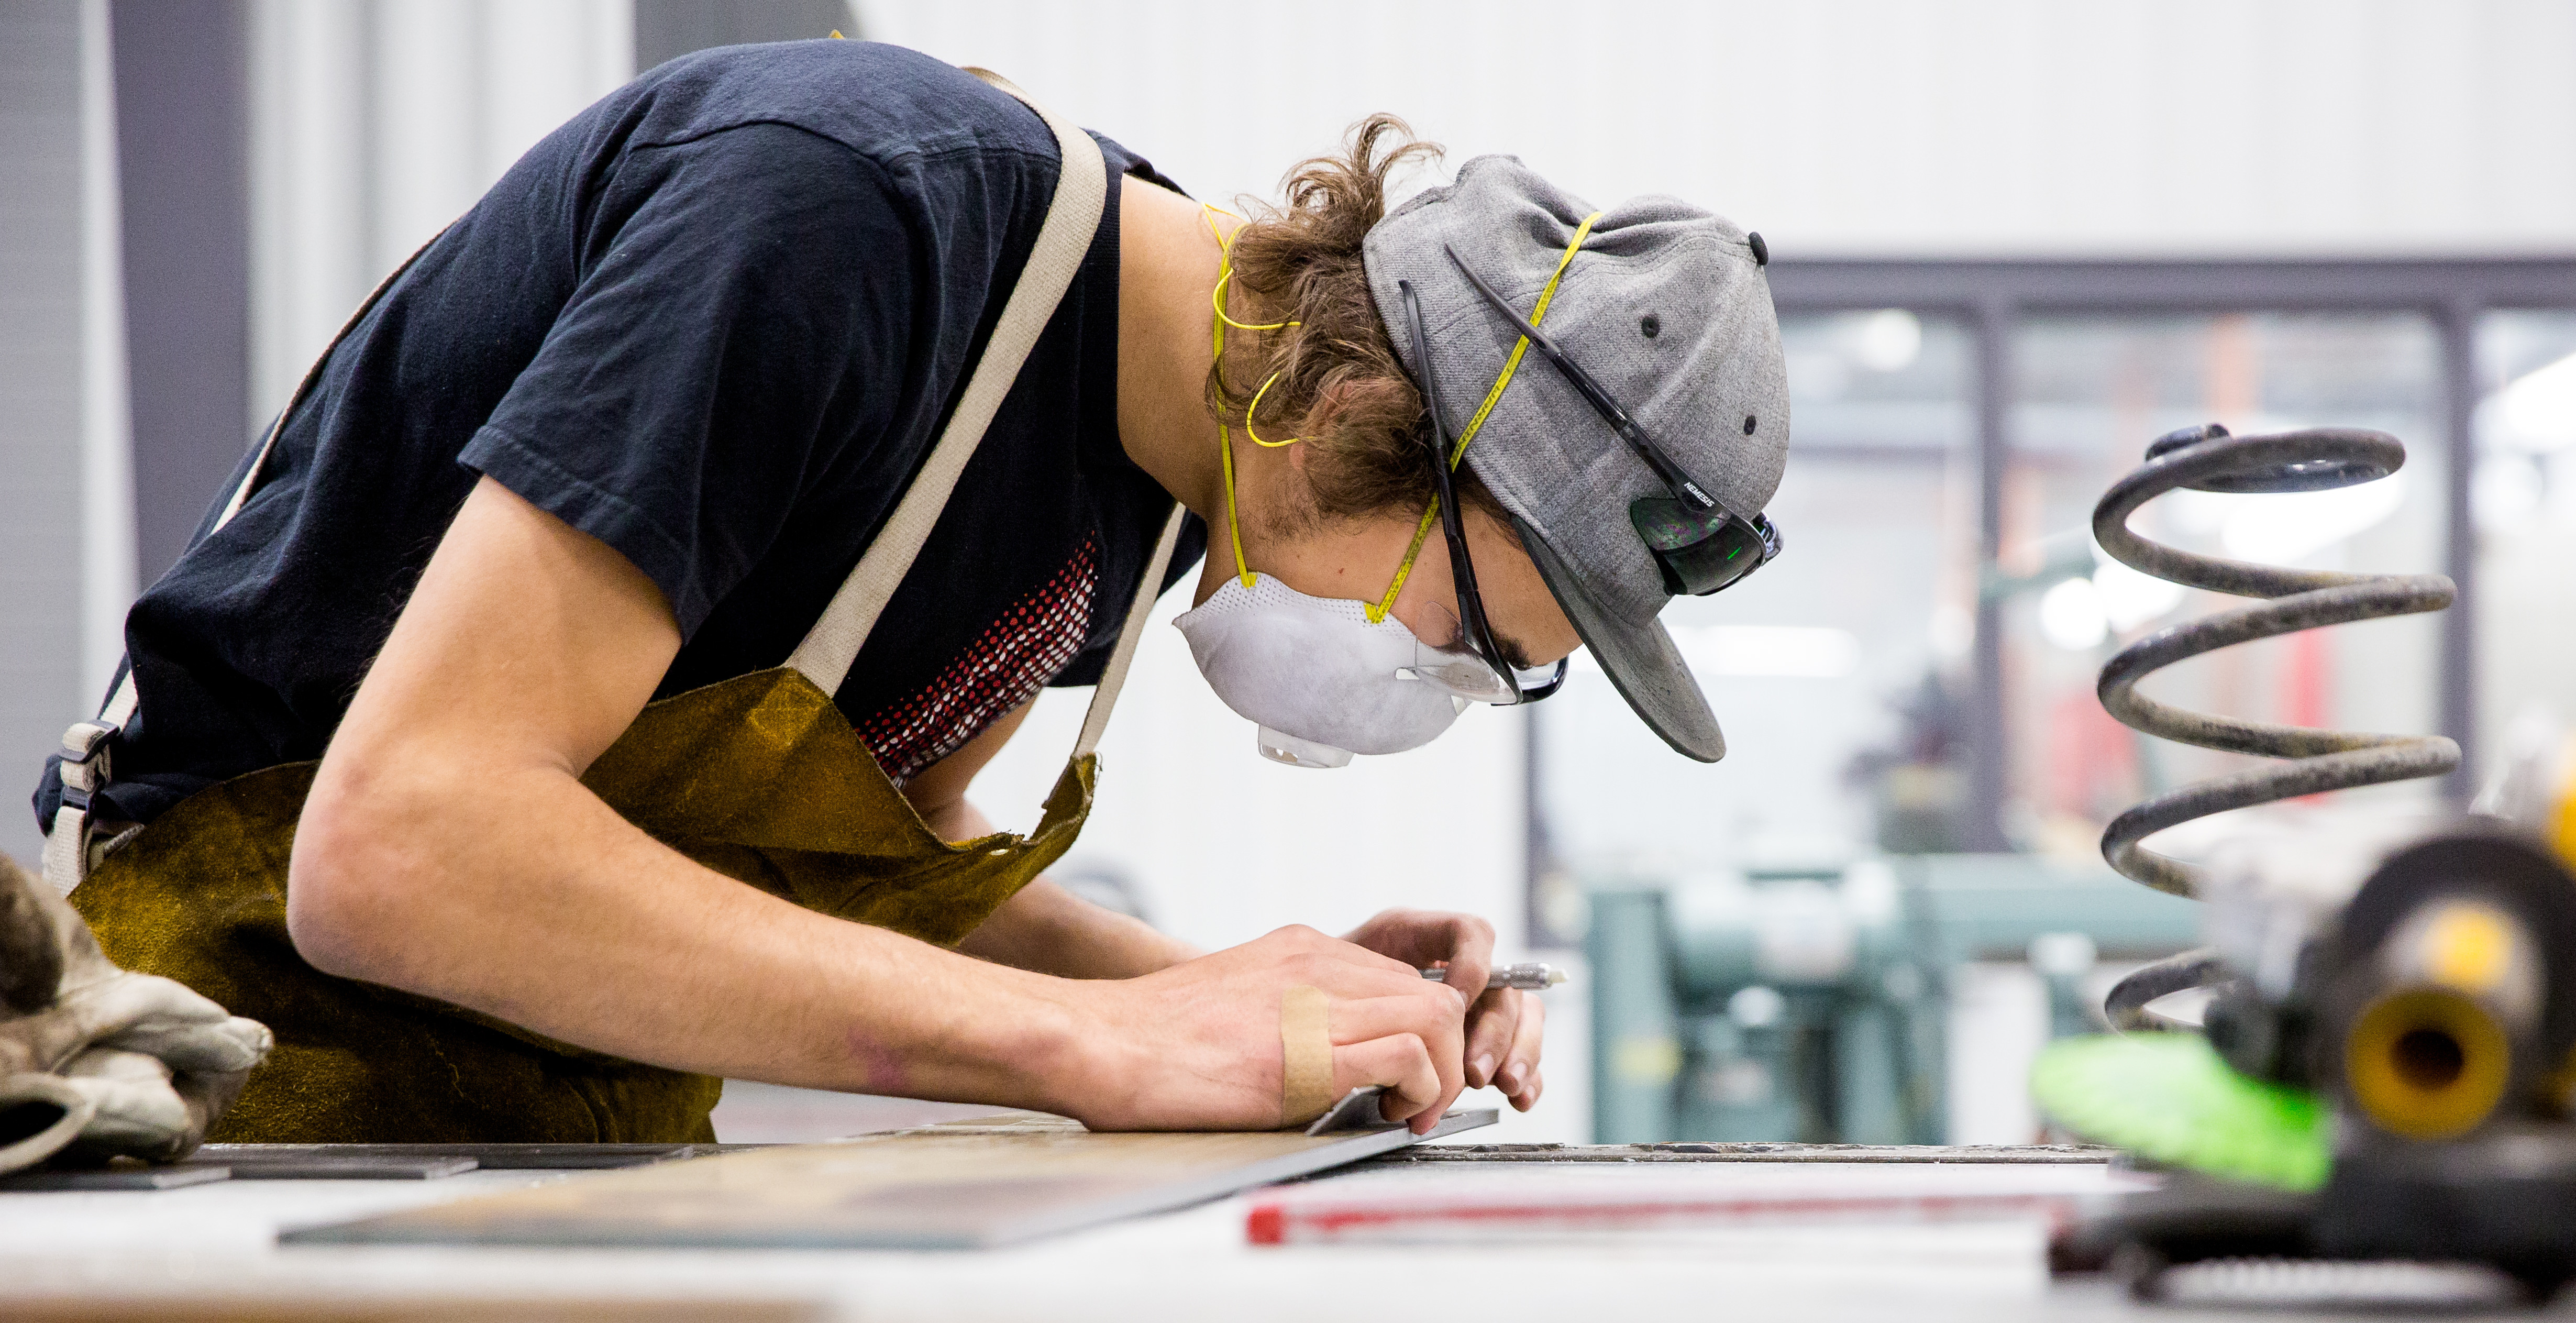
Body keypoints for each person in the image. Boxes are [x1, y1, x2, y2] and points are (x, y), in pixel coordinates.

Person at [32, 39, 1788, 1145]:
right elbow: (404, 852)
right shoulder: (848, 221)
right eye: (1473, 643)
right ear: (1354, 412)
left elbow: (852, 881)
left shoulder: (1169, 492)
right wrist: (1091, 1051)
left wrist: (1252, 1008)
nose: (1443, 693)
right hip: (249, 1055)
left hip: (537, 1103)